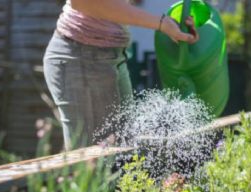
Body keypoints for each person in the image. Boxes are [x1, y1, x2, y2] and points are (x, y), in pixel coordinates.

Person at [43, 0, 199, 150]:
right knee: (95, 163)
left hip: (111, 56)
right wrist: (161, 23)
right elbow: (84, 2)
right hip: (82, 56)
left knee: (123, 152)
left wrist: (173, 25)